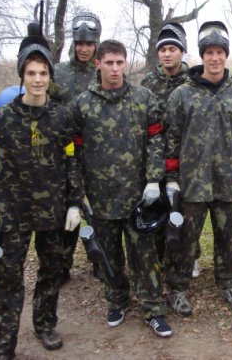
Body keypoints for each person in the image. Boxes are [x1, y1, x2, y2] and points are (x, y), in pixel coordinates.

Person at [0, 24, 83, 360]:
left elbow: (72, 162)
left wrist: (74, 203)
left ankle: (45, 325)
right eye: (31, 73)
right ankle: (4, 344)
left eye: (43, 73)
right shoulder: (5, 117)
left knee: (51, 272)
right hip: (14, 212)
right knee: (7, 278)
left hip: (52, 211)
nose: (38, 79)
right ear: (22, 75)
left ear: (49, 76)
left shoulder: (62, 116)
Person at [72, 39, 172, 337]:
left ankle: (153, 308)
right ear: (98, 64)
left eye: (119, 62)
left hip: (138, 196)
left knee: (145, 254)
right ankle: (117, 300)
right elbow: (74, 152)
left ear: (125, 63)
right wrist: (79, 193)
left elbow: (156, 140)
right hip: (100, 196)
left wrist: (153, 179)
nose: (115, 69)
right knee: (109, 254)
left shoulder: (143, 98)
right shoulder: (83, 104)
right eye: (109, 63)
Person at [164, 20, 232, 310]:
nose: (215, 58)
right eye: (209, 53)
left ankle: (228, 284)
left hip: (228, 179)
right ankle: (177, 287)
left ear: (226, 56)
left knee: (229, 236)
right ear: (201, 56)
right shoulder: (182, 94)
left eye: (220, 53)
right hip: (192, 181)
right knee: (185, 238)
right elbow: (171, 138)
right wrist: (171, 177)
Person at [141, 22, 201, 293]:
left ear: (182, 52)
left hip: (186, 158)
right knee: (158, 208)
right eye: (163, 49)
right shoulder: (148, 82)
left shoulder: (192, 82)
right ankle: (159, 257)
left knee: (186, 211)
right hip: (155, 156)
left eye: (173, 49)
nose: (167, 54)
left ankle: (191, 256)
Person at [50, 11, 102, 285]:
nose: (84, 49)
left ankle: (101, 261)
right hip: (64, 154)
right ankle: (62, 264)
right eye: (80, 43)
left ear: (96, 44)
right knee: (66, 211)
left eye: (89, 44)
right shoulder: (58, 73)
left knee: (97, 212)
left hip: (95, 153)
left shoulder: (101, 72)